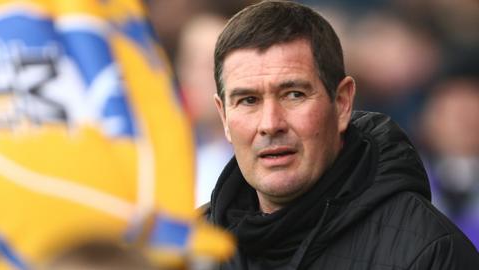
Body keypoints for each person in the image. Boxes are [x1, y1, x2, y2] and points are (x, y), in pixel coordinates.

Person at [203, 1, 479, 269]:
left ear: (342, 102)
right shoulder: (185, 251)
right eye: (248, 100)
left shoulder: (430, 252)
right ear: (224, 116)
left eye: (294, 95)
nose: (270, 124)